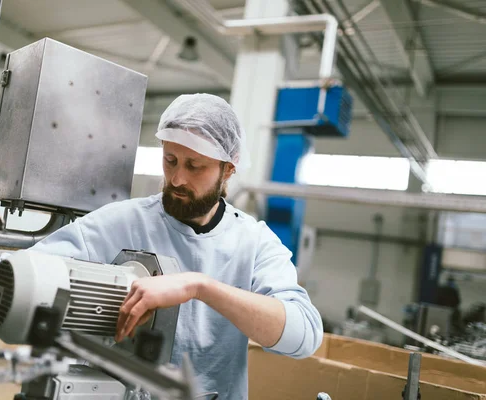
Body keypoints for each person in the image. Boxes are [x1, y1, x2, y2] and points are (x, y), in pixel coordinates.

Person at [30, 93, 323, 399]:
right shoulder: (122, 222)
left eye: (195, 166)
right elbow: (28, 273)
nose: (178, 178)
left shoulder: (254, 242)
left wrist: (200, 287)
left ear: (228, 170)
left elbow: (302, 338)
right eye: (170, 160)